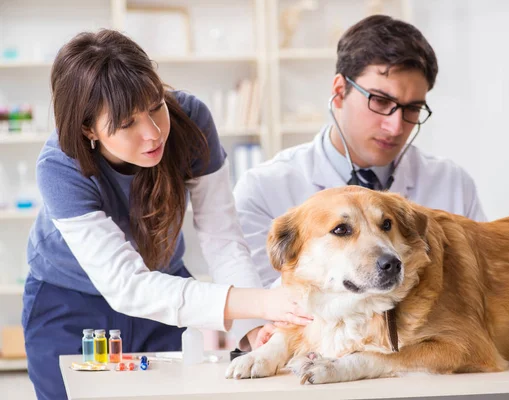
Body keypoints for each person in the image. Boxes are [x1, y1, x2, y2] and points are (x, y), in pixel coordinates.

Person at [21, 30, 310, 400]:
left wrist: (253, 328)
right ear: (87, 128)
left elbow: (222, 238)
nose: (153, 133)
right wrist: (262, 301)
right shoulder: (61, 166)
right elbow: (126, 285)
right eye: (127, 124)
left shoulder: (191, 121)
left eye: (155, 105)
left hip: (164, 290)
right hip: (69, 302)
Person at [234, 14, 487, 290]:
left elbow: (479, 290)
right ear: (340, 91)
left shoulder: (453, 184)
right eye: (380, 101)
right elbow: (260, 315)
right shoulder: (262, 190)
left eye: (412, 109)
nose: (395, 126)